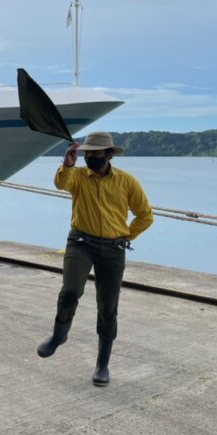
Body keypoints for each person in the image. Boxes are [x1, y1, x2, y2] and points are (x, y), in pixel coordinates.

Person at [37, 132, 153, 386]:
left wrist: (125, 236)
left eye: (95, 154)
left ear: (108, 154)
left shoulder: (126, 182)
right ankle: (58, 336)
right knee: (70, 292)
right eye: (87, 154)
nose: (90, 158)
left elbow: (145, 215)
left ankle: (102, 364)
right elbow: (61, 184)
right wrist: (68, 163)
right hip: (80, 243)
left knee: (108, 307)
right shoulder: (78, 176)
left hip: (113, 250)